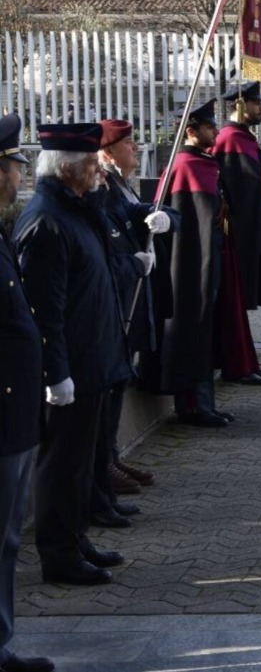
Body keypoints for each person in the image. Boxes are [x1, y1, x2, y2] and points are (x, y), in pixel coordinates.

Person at [14, 123, 132, 587]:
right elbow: (45, 310)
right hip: (72, 370)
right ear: (67, 170)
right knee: (62, 465)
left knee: (81, 464)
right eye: (90, 165)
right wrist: (56, 374)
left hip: (93, 361)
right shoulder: (47, 221)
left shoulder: (79, 210)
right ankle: (59, 554)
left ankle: (76, 538)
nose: (99, 171)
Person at [92, 120, 173, 525]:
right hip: (115, 305)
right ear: (107, 153)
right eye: (129, 144)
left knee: (119, 382)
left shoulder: (120, 186)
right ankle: (104, 464)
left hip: (131, 299)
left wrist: (163, 217)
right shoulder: (102, 188)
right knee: (109, 389)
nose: (137, 149)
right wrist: (132, 263)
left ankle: (111, 458)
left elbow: (140, 212)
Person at [0, 116, 57, 672]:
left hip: (15, 413)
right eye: (15, 166)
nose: (20, 176)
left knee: (7, 538)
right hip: (4, 411)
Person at [159, 101, 233, 427]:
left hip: (209, 259)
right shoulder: (184, 165)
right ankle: (192, 406)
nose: (216, 131)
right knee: (192, 330)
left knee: (205, 330)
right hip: (189, 266)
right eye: (209, 127)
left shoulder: (204, 162)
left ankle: (206, 403)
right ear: (191, 131)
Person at [212, 81, 261, 386]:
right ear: (241, 105)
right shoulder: (231, 139)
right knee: (233, 301)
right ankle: (235, 364)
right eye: (257, 104)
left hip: (251, 232)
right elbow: (237, 194)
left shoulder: (243, 137)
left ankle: (244, 361)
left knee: (240, 301)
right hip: (238, 235)